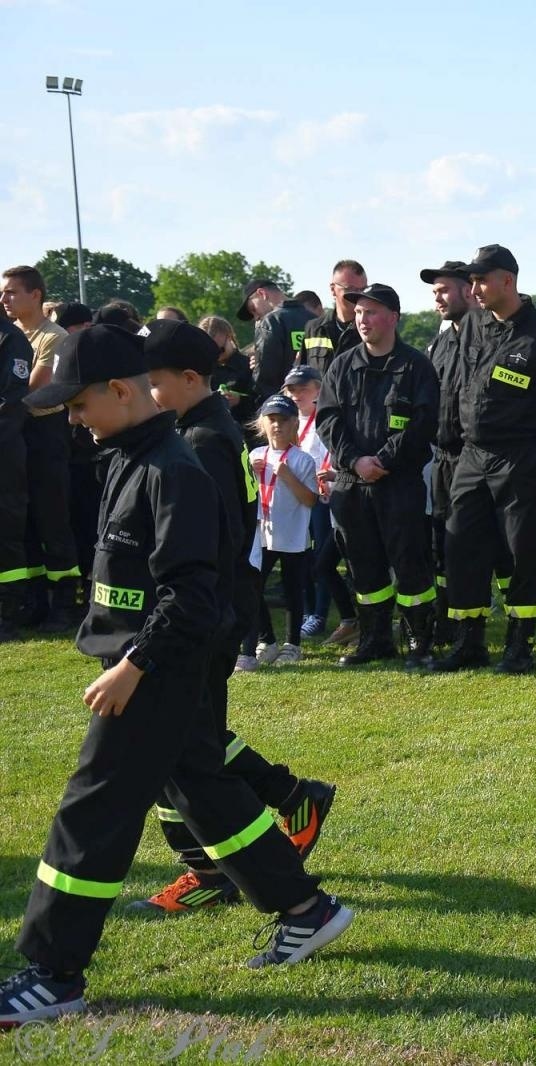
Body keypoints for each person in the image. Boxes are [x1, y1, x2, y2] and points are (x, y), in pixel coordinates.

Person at [1, 326, 352, 1027]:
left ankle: (54, 973)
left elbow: (193, 594)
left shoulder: (175, 468)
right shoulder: (126, 457)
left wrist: (135, 664)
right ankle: (307, 910)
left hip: (156, 670)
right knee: (202, 788)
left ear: (120, 391)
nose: (73, 419)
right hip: (143, 663)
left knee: (91, 809)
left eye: (77, 405)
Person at [139, 318, 337, 913]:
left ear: (190, 377)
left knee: (181, 749)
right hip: (217, 610)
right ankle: (288, 799)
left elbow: (208, 546)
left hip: (206, 615)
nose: (147, 391)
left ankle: (216, 867)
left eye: (154, 380)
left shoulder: (200, 443)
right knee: (187, 744)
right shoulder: (208, 431)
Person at [432, 245, 536, 673]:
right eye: (472, 281)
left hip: (524, 458)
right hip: (473, 456)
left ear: (508, 281)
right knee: (461, 544)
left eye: (481, 280)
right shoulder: (474, 325)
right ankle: (469, 639)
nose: (474, 289)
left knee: (523, 551)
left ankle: (520, 643)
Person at [315, 284, 440, 668]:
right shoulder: (342, 364)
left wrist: (382, 461)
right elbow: (328, 418)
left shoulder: (416, 365)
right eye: (357, 313)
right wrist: (355, 462)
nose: (362, 320)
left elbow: (422, 422)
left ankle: (419, 641)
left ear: (392, 317)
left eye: (370, 312)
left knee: (410, 563)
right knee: (363, 565)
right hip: (352, 484)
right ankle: (375, 638)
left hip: (398, 482)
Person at [2, 265, 81, 632]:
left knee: (53, 517)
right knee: (25, 520)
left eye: (12, 292)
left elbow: (34, 387)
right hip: (16, 433)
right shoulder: (11, 335)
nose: (4, 299)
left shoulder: (54, 336)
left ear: (35, 294)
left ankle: (65, 603)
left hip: (45, 430)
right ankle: (32, 600)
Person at [419, 260, 474, 649]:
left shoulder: (487, 338)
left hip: (474, 458)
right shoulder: (438, 344)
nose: (438, 298)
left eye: (444, 290)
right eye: (434, 292)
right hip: (440, 458)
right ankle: (445, 618)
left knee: (471, 547)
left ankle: (473, 624)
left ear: (468, 289)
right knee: (441, 543)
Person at [282, 364, 357, 646]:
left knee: (323, 559)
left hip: (329, 496)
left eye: (304, 388)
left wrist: (334, 476)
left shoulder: (326, 416)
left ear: (319, 388)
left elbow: (334, 454)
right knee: (303, 557)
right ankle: (311, 611)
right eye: (292, 389)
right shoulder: (288, 419)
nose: (298, 394)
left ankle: (322, 615)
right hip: (299, 495)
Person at [243, 395, 319, 666]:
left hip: (292, 535)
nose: (277, 426)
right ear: (263, 424)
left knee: (292, 590)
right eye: (272, 420)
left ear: (293, 424)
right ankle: (268, 640)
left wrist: (288, 476)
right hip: (261, 534)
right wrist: (249, 473)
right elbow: (244, 494)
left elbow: (310, 500)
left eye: (283, 420)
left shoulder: (302, 460)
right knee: (253, 588)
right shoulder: (254, 455)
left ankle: (292, 644)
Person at [0, 313, 30, 640]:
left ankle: (9, 612)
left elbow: (11, 400)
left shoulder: (11, 339)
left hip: (4, 451)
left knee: (6, 531)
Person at [236, 278, 314, 398]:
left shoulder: (270, 322)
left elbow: (265, 380)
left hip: (281, 407)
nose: (256, 317)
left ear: (262, 293)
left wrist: (259, 365)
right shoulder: (315, 320)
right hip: (314, 402)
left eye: (253, 309)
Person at [300, 261, 367, 373]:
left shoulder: (372, 329)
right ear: (333, 289)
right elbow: (303, 375)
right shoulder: (314, 329)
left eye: (363, 290)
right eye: (350, 289)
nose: (358, 295)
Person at [198, 314, 257, 425]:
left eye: (219, 349)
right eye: (209, 351)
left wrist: (240, 400)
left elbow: (262, 400)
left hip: (245, 428)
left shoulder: (248, 365)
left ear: (229, 337)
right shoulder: (202, 370)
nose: (215, 355)